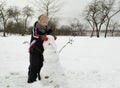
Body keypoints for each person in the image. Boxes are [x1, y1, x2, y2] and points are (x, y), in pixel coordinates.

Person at [28, 15, 57, 83]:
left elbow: (50, 34)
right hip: (34, 49)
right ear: (39, 21)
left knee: (41, 65)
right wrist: (41, 37)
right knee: (34, 64)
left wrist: (53, 37)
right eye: (43, 22)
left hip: (43, 50)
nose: (45, 23)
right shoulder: (36, 27)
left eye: (46, 22)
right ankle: (31, 80)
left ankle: (40, 79)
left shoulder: (47, 28)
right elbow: (35, 35)